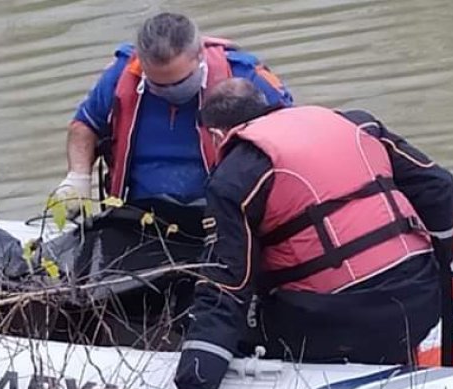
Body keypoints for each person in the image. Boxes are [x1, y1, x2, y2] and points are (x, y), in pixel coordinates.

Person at [163, 78, 453, 389]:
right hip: (421, 301)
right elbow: (439, 185)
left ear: (216, 135)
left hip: (338, 324)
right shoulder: (356, 123)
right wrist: (440, 269)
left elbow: (225, 291)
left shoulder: (236, 177)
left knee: (229, 315)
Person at [50, 12, 293, 233]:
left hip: (224, 217)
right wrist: (78, 177)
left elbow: (291, 138)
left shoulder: (244, 76)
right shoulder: (122, 75)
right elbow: (85, 125)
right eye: (159, 86)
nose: (170, 92)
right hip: (140, 218)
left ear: (200, 55)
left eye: (179, 82)